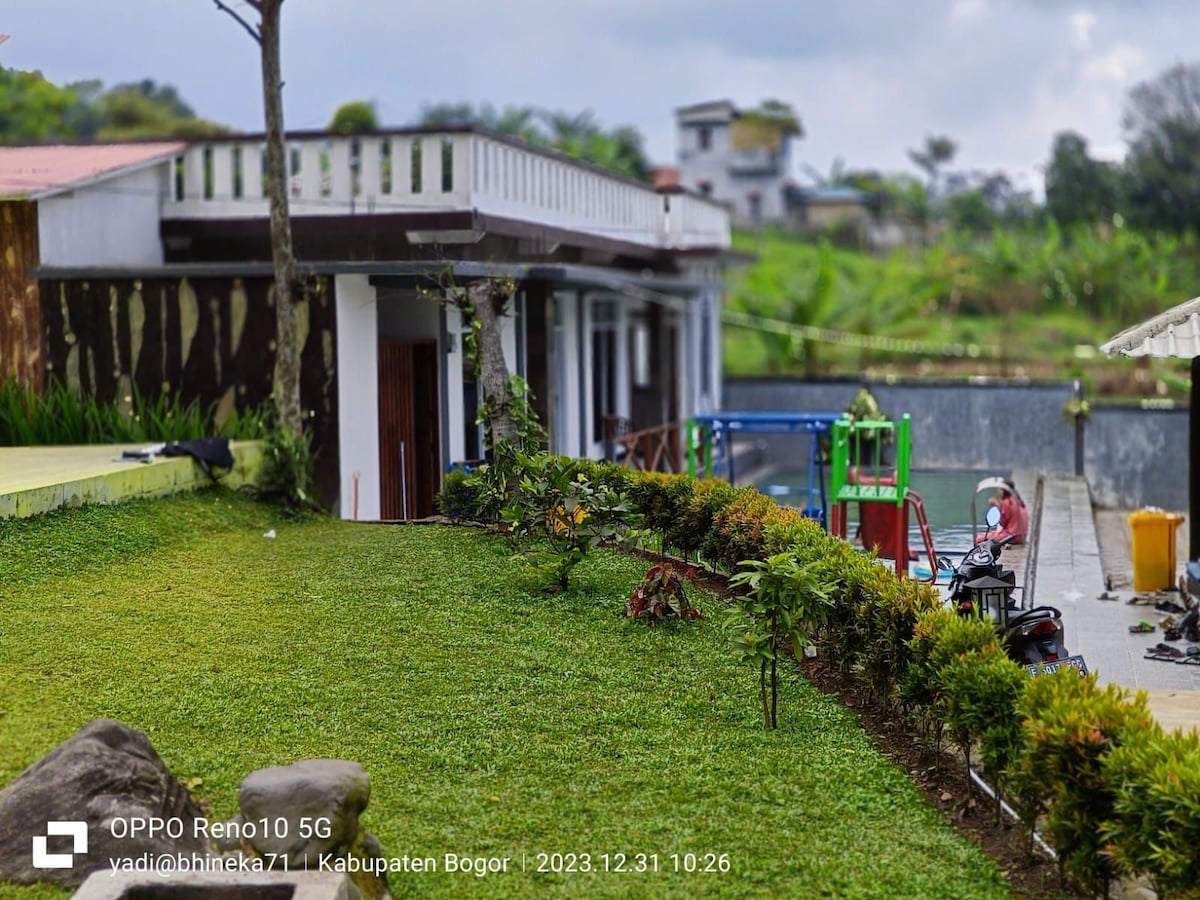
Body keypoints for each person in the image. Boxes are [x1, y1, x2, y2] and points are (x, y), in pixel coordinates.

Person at [981, 478, 1028, 545]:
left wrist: (997, 504)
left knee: (979, 539)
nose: (998, 491)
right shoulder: (1019, 501)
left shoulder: (1007, 502)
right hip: (1021, 536)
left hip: (1011, 537)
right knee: (991, 534)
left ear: (1003, 490)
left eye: (999, 489)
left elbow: (1003, 523)